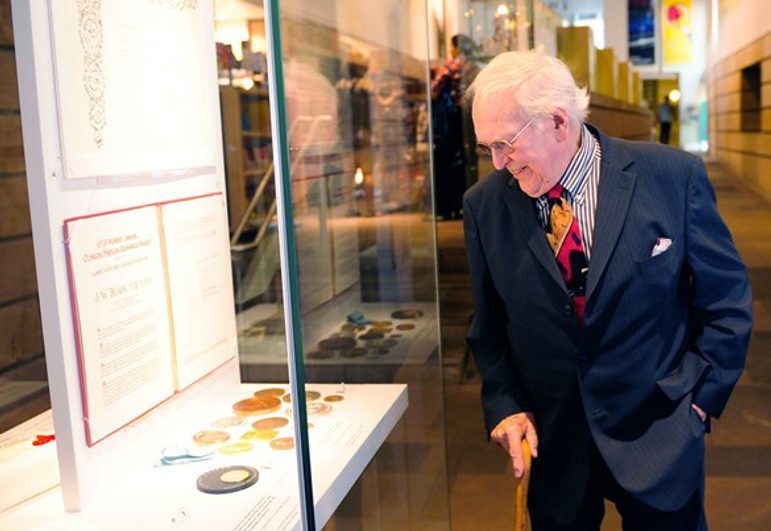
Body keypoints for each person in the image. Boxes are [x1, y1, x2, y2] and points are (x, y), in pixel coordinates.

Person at [463, 51, 752, 530]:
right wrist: (506, 404)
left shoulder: (672, 177)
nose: (497, 163)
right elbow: (489, 329)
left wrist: (697, 404)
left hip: (659, 436)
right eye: (485, 148)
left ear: (558, 122)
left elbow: (726, 303)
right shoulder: (485, 205)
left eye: (505, 144)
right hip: (555, 448)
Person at [431, 34, 479, 219]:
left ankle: (444, 208)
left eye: (452, 47)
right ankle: (460, 206)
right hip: (467, 120)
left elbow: (434, 90)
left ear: (456, 48)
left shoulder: (452, 65)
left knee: (443, 162)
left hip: (450, 121)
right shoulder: (474, 67)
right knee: (463, 164)